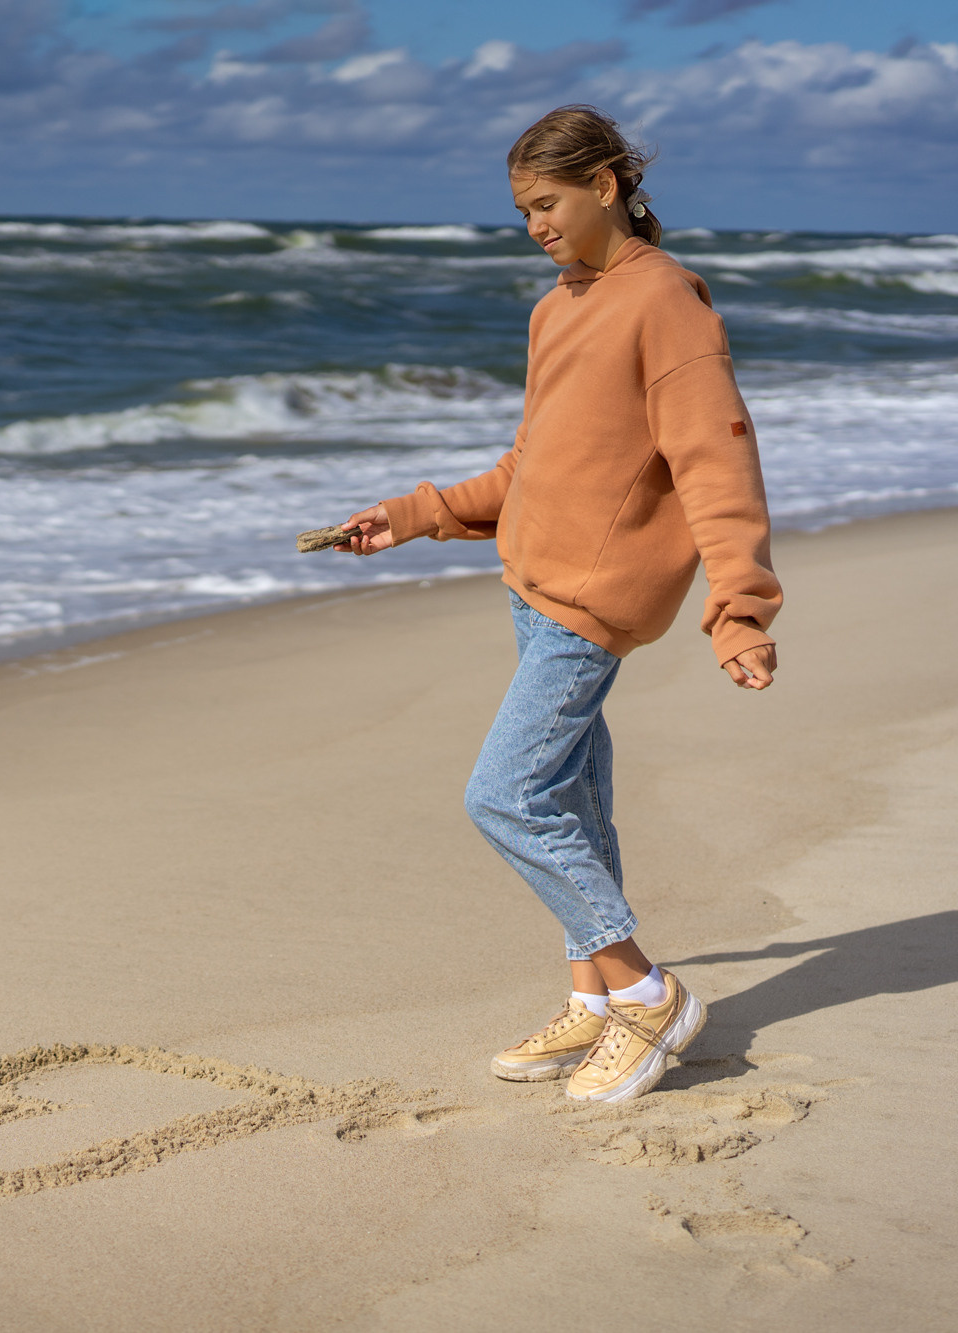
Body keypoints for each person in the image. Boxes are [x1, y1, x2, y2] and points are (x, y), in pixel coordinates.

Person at [333, 104, 781, 1104]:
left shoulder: (663, 301)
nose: (532, 225)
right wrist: (415, 514)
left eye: (545, 204)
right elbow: (533, 466)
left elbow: (714, 462)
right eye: (519, 211)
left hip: (590, 606)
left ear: (605, 187)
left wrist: (738, 607)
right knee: (574, 802)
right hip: (530, 594)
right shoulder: (558, 307)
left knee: (503, 795)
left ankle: (646, 993)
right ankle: (591, 1005)